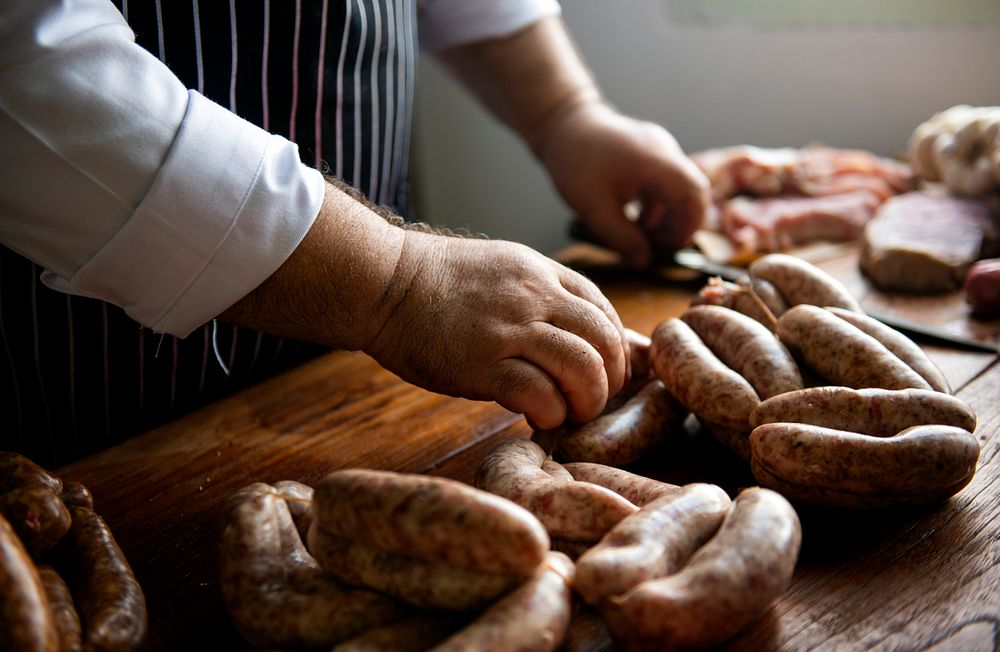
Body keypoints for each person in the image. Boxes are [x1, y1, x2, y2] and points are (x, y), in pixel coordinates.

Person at [0, 0, 710, 467]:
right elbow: (28, 73)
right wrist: (393, 280)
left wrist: (565, 113)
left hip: (352, 386)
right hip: (78, 405)